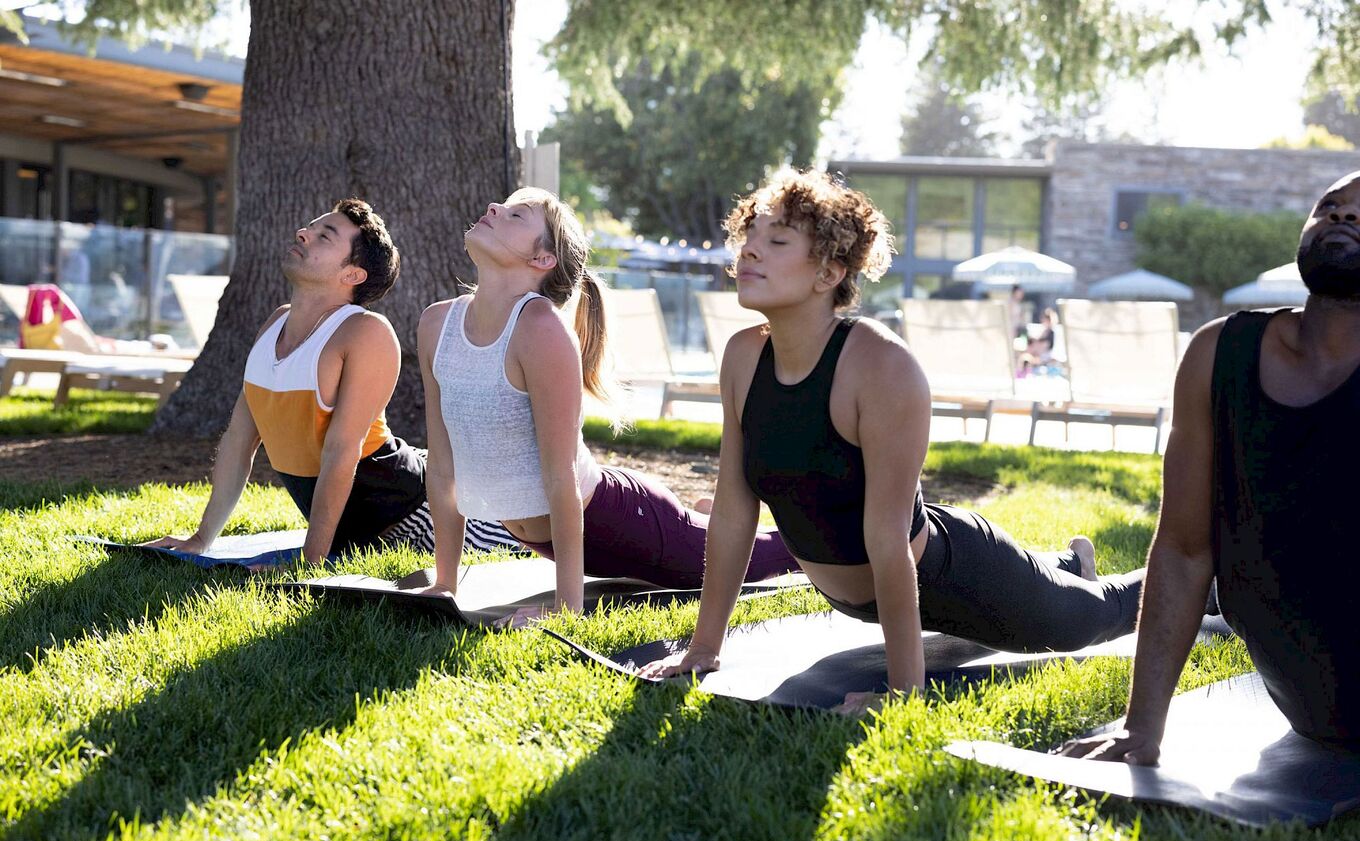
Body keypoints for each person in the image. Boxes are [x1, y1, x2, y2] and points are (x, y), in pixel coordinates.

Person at [640, 170, 1144, 711]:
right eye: (751, 237)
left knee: (1090, 621)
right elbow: (736, 511)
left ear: (829, 273)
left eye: (777, 241)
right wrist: (703, 649)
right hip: (865, 596)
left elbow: (889, 539)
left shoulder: (881, 367)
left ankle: (1196, 584)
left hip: (954, 574)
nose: (751, 252)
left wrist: (904, 691)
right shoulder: (743, 357)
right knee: (1064, 599)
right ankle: (1069, 564)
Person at [1061, 172, 1360, 762]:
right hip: (1312, 709)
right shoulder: (1217, 355)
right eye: (1330, 205)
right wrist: (1141, 726)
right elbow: (1182, 548)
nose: (1344, 217)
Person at [410, 187, 798, 623]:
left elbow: (561, 479)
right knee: (719, 537)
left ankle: (843, 530)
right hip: (556, 534)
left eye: (517, 216)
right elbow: (442, 464)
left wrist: (565, 607)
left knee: (776, 556)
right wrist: (445, 583)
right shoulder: (437, 324)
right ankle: (700, 516)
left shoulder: (540, 331)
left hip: (622, 524)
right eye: (502, 206)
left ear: (542, 260)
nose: (492, 207)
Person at [149, 199, 518, 563]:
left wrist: (311, 560)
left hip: (423, 519)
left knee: (532, 536)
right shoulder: (275, 324)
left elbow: (342, 451)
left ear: (352, 275)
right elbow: (238, 439)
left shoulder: (365, 332)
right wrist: (201, 539)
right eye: (311, 227)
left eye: (325, 236)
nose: (304, 234)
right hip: (360, 530)